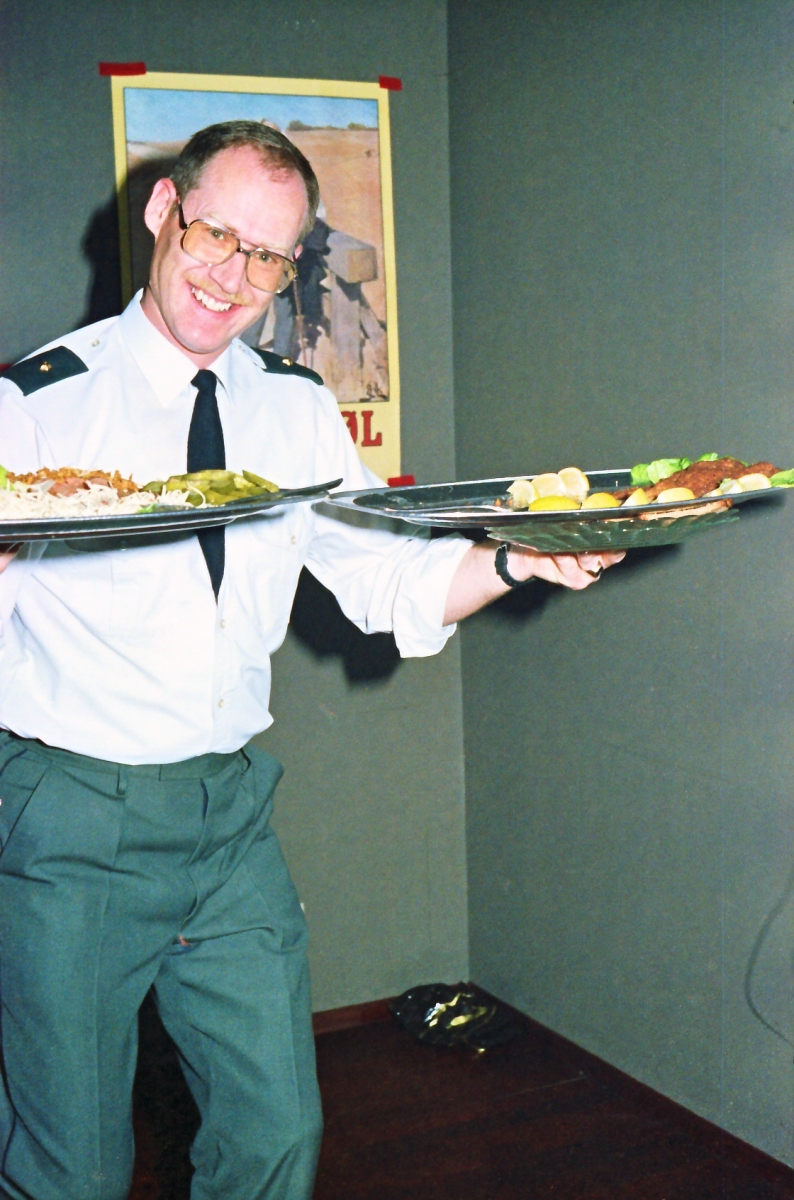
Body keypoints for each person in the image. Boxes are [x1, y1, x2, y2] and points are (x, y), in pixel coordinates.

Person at [0, 121, 622, 1200]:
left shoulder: (293, 407)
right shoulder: (35, 405)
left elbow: (386, 578)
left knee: (277, 1132)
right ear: (163, 211)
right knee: (72, 1171)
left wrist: (517, 561)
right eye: (215, 235)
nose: (231, 278)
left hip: (228, 816)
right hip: (73, 817)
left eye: (268, 257)